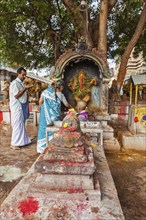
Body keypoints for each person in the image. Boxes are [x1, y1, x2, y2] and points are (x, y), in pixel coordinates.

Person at [37, 79, 71, 153]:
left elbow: (40, 102)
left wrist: (40, 106)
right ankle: (51, 145)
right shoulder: (61, 95)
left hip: (45, 115)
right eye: (63, 87)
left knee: (44, 128)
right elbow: (67, 105)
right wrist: (72, 108)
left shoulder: (46, 92)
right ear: (61, 87)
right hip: (54, 117)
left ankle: (41, 147)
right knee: (54, 129)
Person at [9, 67, 33, 150]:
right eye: (23, 75)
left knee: (21, 125)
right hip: (17, 107)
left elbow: (23, 94)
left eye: (25, 75)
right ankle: (14, 143)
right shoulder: (14, 83)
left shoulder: (21, 83)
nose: (24, 77)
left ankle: (23, 141)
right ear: (18, 74)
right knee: (17, 125)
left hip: (21, 107)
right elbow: (16, 95)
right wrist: (25, 88)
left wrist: (26, 89)